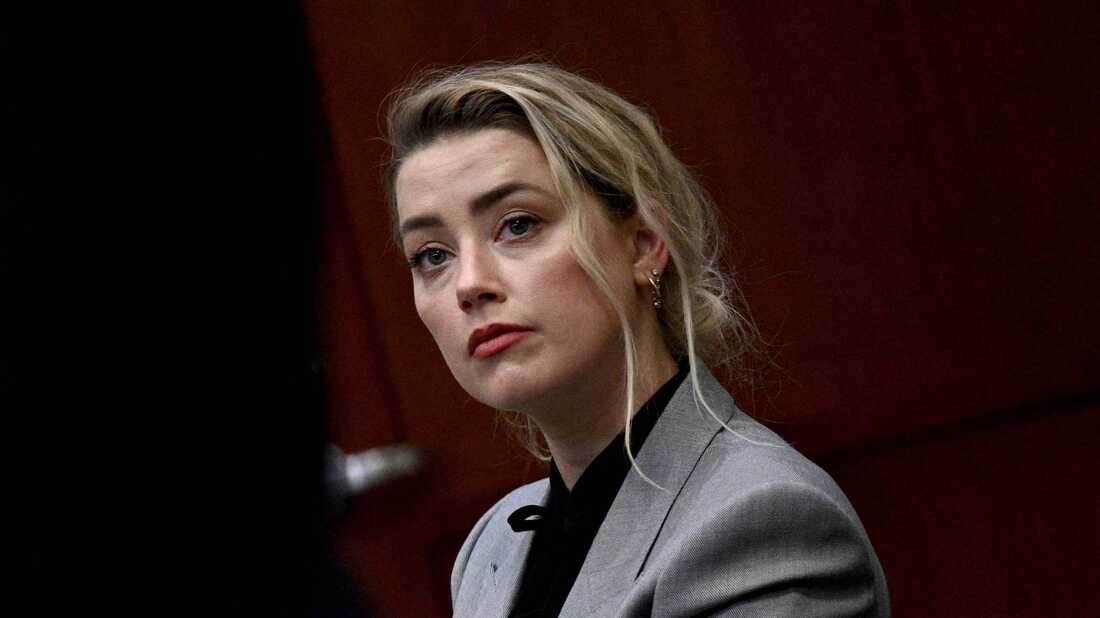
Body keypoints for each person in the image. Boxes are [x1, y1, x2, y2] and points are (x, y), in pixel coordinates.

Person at [382, 62, 889, 617]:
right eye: (432, 255)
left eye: (518, 224)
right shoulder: (489, 548)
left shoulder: (764, 520)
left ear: (643, 245)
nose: (469, 284)